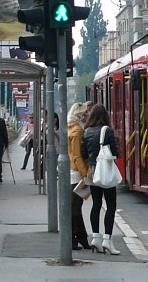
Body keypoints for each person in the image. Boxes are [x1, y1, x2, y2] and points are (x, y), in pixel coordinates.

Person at [81, 103, 120, 255]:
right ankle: (107, 240)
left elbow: (83, 153)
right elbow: (115, 152)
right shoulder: (107, 130)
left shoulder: (86, 131)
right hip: (105, 171)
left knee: (96, 204)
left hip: (92, 171)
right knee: (110, 205)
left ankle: (95, 238)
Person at [67, 102, 91, 250]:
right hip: (76, 172)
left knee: (76, 206)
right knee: (75, 207)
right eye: (86, 113)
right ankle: (74, 239)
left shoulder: (73, 129)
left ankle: (80, 238)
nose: (89, 115)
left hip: (74, 171)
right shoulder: (77, 132)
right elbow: (77, 156)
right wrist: (85, 175)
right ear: (81, 116)